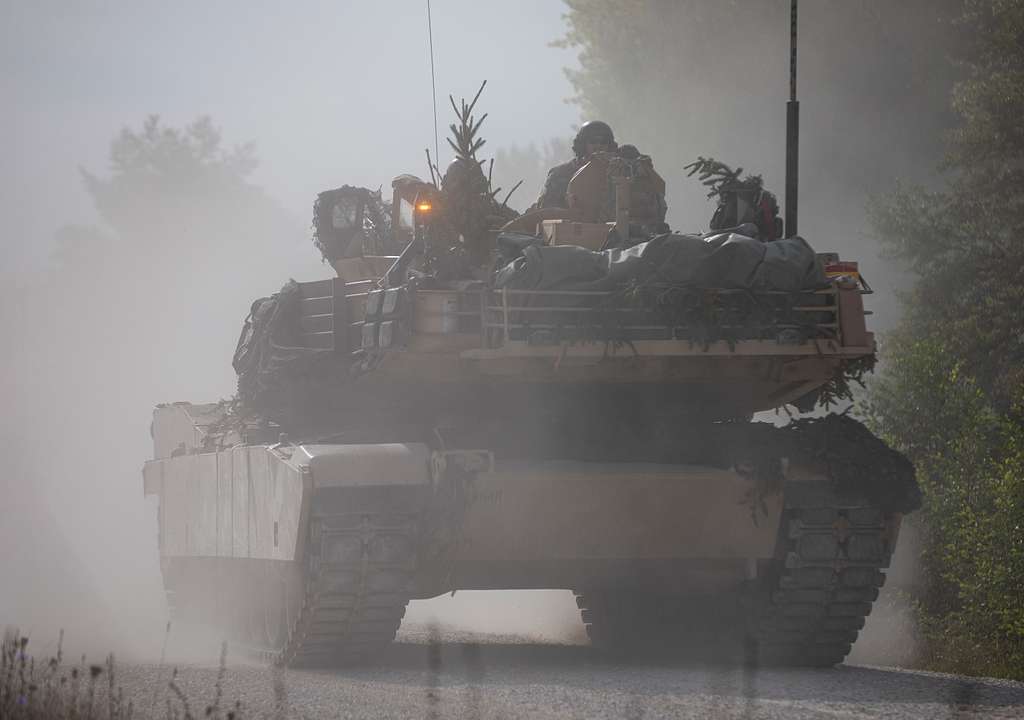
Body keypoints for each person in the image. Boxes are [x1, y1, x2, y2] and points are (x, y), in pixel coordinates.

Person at [536, 121, 618, 209]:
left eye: (603, 142)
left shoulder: (617, 173)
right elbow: (547, 211)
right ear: (582, 144)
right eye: (593, 141)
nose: (598, 146)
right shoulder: (560, 175)